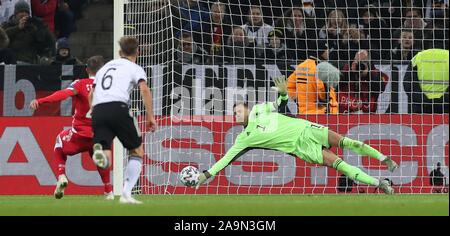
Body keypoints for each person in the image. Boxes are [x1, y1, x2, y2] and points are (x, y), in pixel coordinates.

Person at [195, 77, 398, 194]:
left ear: (248, 108)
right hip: (301, 147)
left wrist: (283, 93)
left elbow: (281, 104)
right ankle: (380, 183)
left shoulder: (259, 109)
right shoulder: (244, 138)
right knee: (341, 165)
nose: (236, 114)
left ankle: (384, 159)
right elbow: (226, 159)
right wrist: (207, 174)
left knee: (348, 142)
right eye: (234, 113)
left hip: (307, 127)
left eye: (239, 109)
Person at [29, 55, 113, 199]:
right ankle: (108, 190)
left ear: (87, 70)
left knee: (59, 142)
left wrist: (40, 101)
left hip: (79, 134)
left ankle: (61, 176)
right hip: (99, 134)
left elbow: (62, 94)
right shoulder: (109, 85)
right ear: (103, 71)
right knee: (100, 158)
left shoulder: (80, 84)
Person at [90, 36, 157, 204]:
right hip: (118, 108)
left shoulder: (104, 67)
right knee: (137, 150)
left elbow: (91, 93)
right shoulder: (135, 68)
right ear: (138, 52)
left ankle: (102, 156)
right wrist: (150, 116)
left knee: (106, 154)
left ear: (120, 52)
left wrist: (93, 111)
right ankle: (126, 194)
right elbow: (144, 90)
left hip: (98, 110)